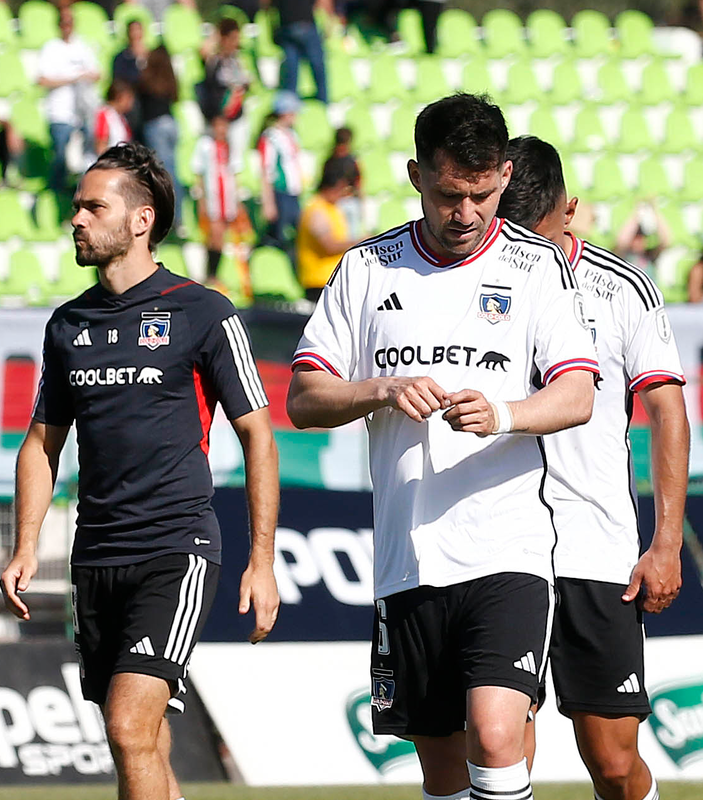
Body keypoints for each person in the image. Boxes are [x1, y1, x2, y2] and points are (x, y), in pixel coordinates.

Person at [286, 93, 599, 800]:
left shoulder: (536, 267)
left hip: (508, 549)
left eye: (483, 196)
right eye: (449, 194)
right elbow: (304, 398)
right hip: (408, 559)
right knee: (441, 769)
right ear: (415, 176)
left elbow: (577, 394)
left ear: (505, 175)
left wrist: (506, 413)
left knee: (495, 732)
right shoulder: (368, 270)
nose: (466, 215)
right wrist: (380, 390)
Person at [0, 142, 279, 800]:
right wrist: (24, 545)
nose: (76, 219)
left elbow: (258, 436)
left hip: (174, 550)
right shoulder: (68, 324)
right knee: (140, 740)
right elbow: (42, 443)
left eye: (93, 207)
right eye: (75, 207)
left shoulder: (203, 311)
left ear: (140, 219)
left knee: (129, 726)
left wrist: (261, 560)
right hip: (95, 556)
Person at [499, 136, 687, 800]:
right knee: (499, 745)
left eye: (541, 235)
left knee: (611, 760)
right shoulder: (481, 281)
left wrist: (665, 544)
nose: (530, 253)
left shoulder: (621, 287)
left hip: (595, 547)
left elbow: (668, 412)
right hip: (500, 547)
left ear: (570, 210)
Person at [37, 6, 100, 194]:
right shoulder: (51, 48)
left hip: (82, 113)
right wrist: (72, 78)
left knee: (87, 158)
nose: (67, 26)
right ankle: (56, 195)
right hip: (60, 112)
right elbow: (42, 79)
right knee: (60, 158)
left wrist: (82, 77)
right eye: (63, 22)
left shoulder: (83, 46)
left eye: (70, 22)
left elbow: (97, 74)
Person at [193, 113, 245, 284]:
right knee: (214, 237)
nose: (221, 130)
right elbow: (199, 173)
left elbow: (235, 175)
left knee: (222, 238)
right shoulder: (205, 145)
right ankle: (210, 273)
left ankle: (215, 274)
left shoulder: (230, 146)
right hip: (212, 197)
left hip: (227, 197)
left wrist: (237, 201)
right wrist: (201, 200)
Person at [297, 158, 359, 301]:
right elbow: (329, 245)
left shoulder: (333, 209)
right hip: (318, 282)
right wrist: (360, 242)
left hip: (333, 279)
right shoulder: (316, 210)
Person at [136, 44, 182, 234]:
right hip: (171, 123)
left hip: (156, 126)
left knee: (164, 175)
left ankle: (171, 218)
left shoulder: (148, 79)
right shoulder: (170, 80)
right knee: (172, 172)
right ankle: (177, 217)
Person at [257, 92, 304, 257]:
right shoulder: (270, 137)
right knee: (278, 237)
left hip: (293, 192)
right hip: (280, 192)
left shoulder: (291, 134)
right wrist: (268, 202)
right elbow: (266, 170)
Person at [271, 0, 329, 104]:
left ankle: (289, 105)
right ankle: (324, 100)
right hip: (305, 23)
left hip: (286, 26)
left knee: (291, 69)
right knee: (317, 64)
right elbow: (320, 4)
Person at [615, 200, 672, 281]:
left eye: (640, 238)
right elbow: (621, 241)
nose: (638, 242)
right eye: (635, 238)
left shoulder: (650, 256)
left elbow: (666, 239)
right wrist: (636, 213)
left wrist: (655, 210)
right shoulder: (624, 255)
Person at [95, 80, 135, 154]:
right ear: (119, 97)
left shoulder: (121, 117)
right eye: (129, 98)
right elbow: (101, 146)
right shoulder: (105, 114)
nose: (131, 102)